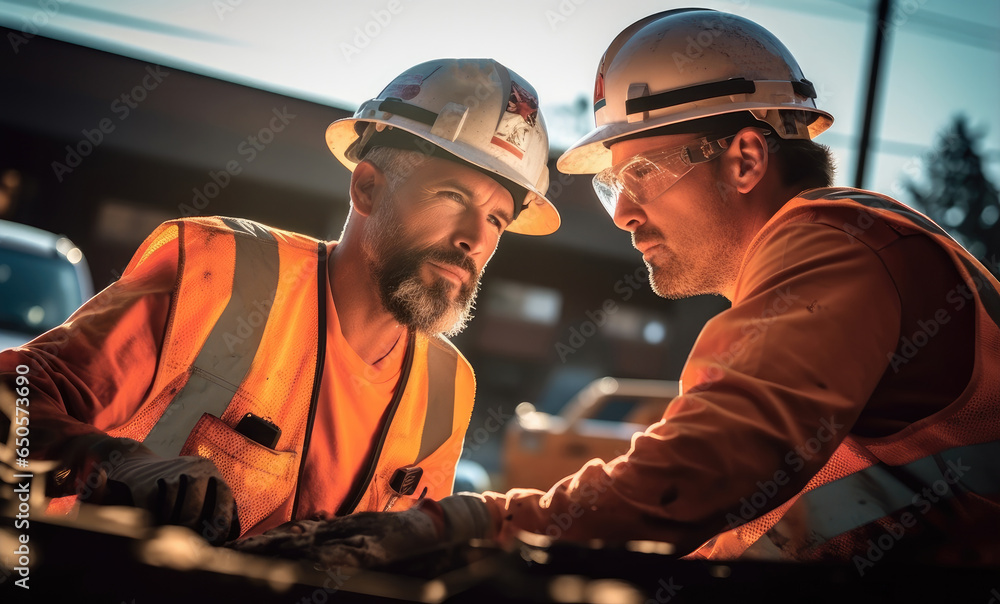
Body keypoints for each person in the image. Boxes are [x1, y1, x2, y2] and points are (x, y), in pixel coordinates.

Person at [233, 10, 1000, 567]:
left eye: (639, 172)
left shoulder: (837, 245)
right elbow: (738, 527)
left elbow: (692, 479)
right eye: (610, 188)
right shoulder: (825, 282)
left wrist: (468, 524)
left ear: (742, 158)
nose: (625, 213)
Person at [0, 58, 559, 544]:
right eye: (452, 196)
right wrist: (112, 462)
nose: (475, 240)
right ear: (367, 187)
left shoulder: (447, 389)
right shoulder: (221, 273)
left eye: (496, 218)